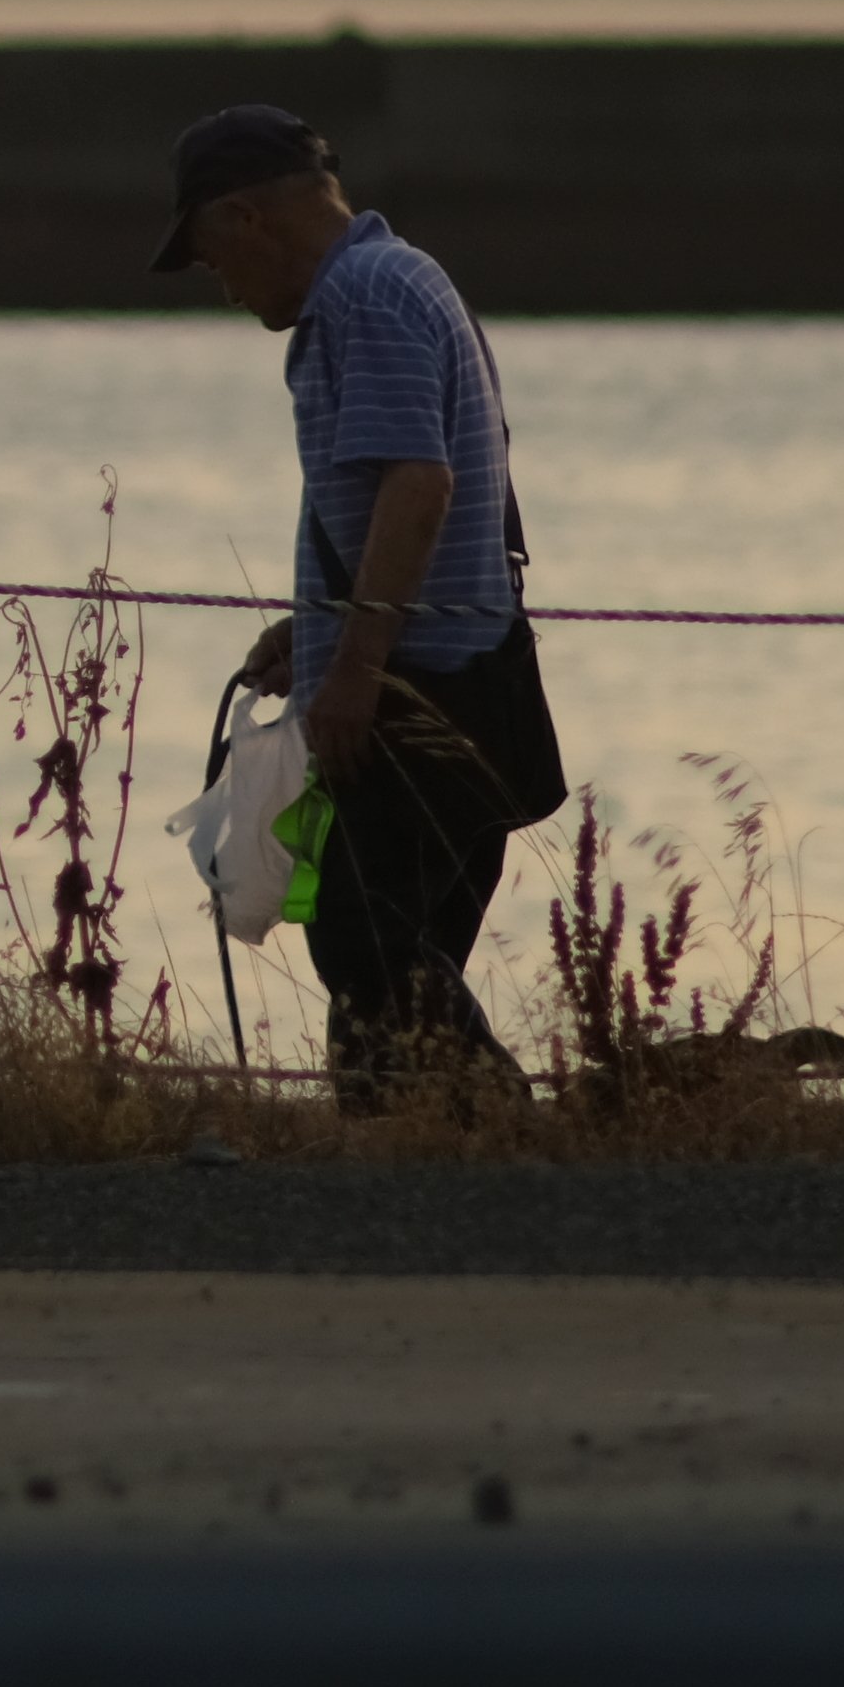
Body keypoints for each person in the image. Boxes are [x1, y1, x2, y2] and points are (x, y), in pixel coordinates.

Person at [157, 104, 567, 1103]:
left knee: (362, 940)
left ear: (246, 216)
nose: (224, 287)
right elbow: (417, 496)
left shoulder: (362, 298)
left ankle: (522, 1134)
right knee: (396, 966)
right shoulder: (404, 274)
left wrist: (355, 667)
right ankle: (413, 1164)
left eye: (212, 259)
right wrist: (317, 628)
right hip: (468, 676)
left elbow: (418, 485)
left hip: (420, 691)